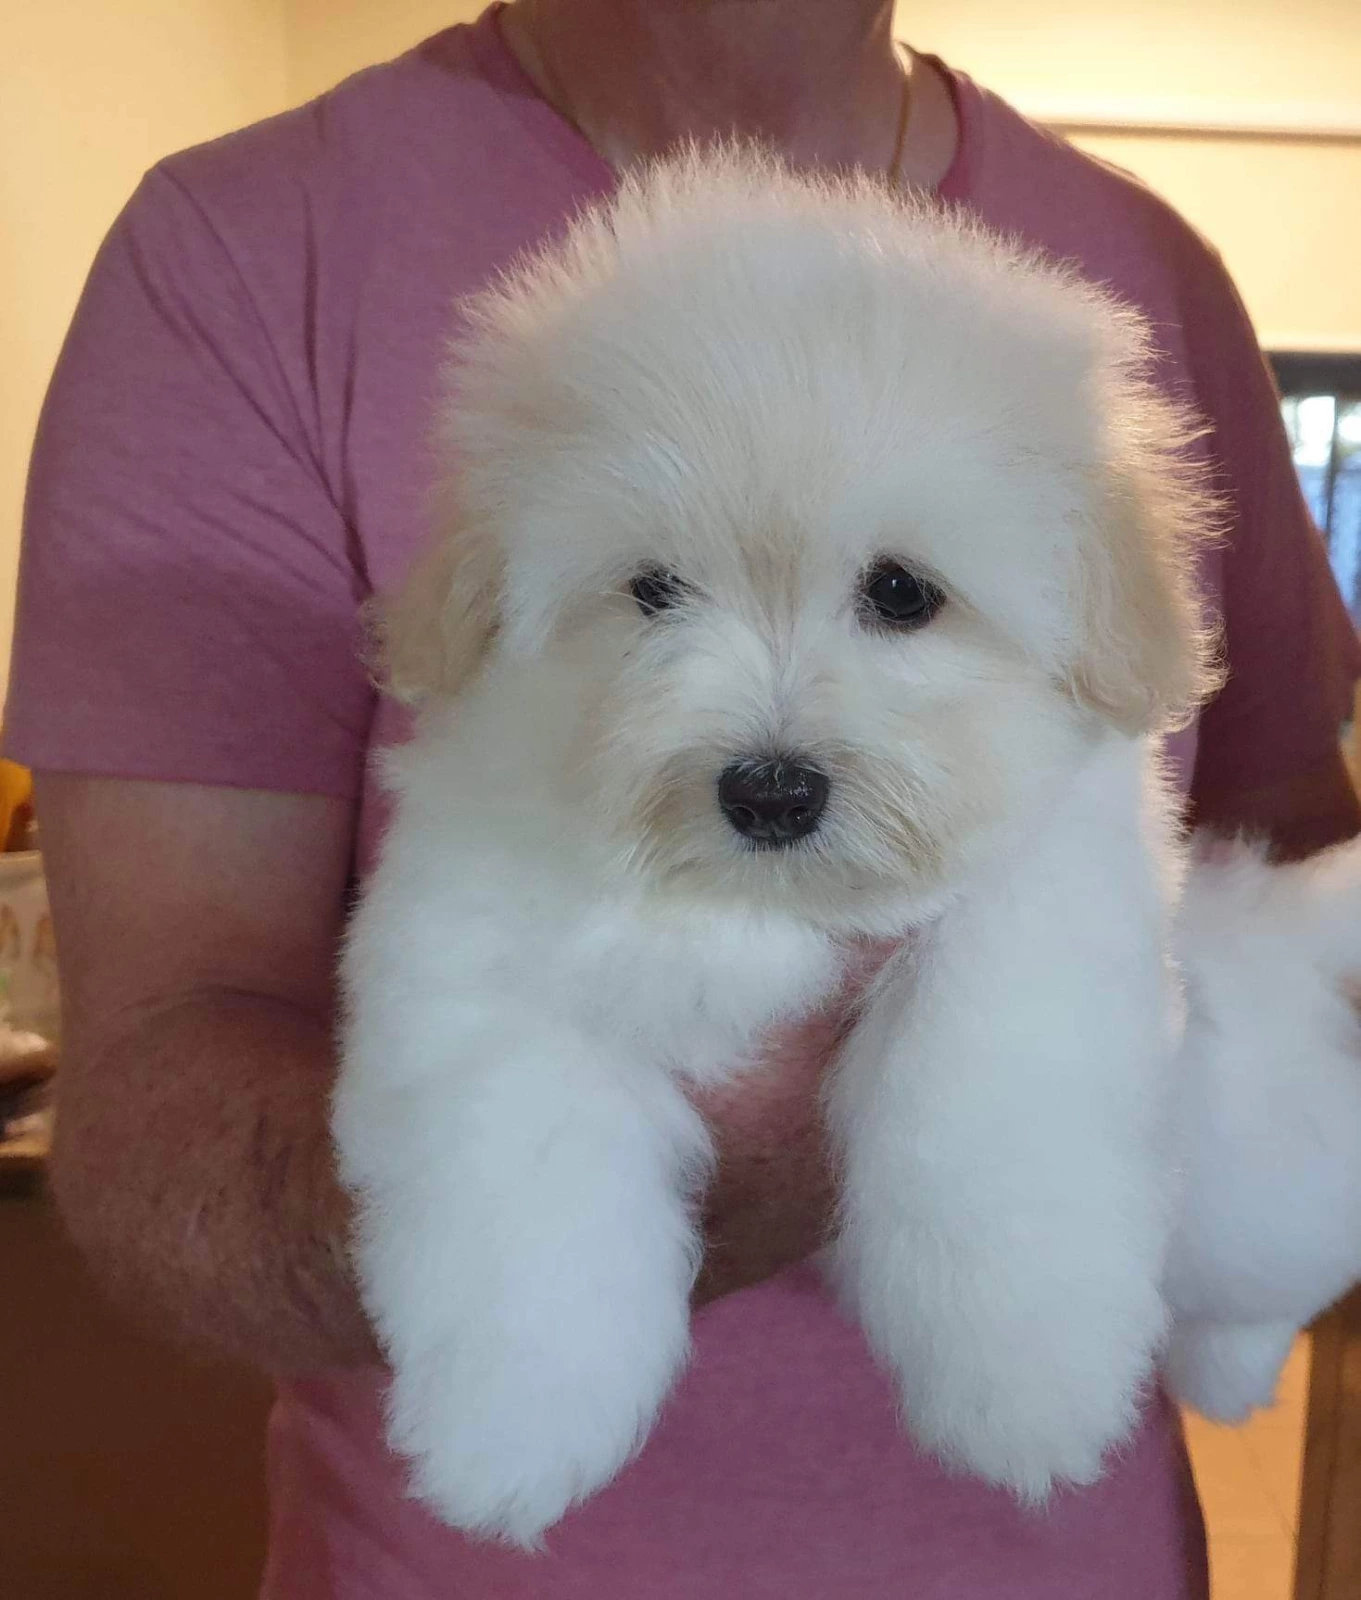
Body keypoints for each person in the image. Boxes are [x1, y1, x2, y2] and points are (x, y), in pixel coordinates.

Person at [9, 2, 1360, 1595]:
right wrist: (575, 1218)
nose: (772, 738)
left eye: (902, 597)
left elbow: (1274, 884)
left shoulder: (1136, 290)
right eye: (654, 591)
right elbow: (195, 1057)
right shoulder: (248, 256)